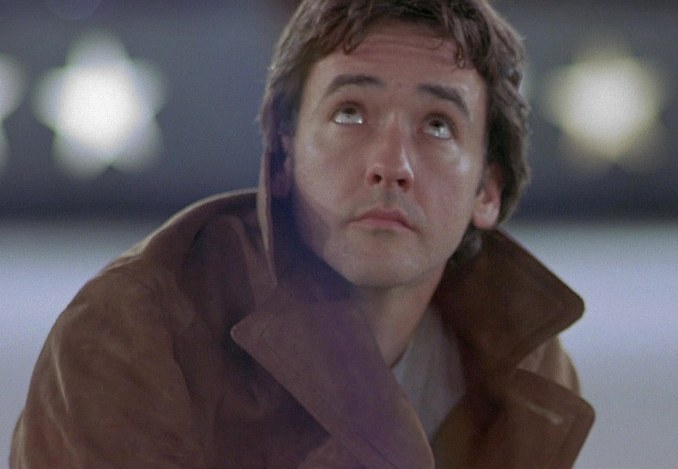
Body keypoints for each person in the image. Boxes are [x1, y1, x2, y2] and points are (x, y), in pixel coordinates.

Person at [11, 0, 594, 467]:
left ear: (487, 190)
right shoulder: (140, 330)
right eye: (350, 113)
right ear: (284, 155)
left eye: (438, 125)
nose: (391, 164)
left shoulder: (523, 360)